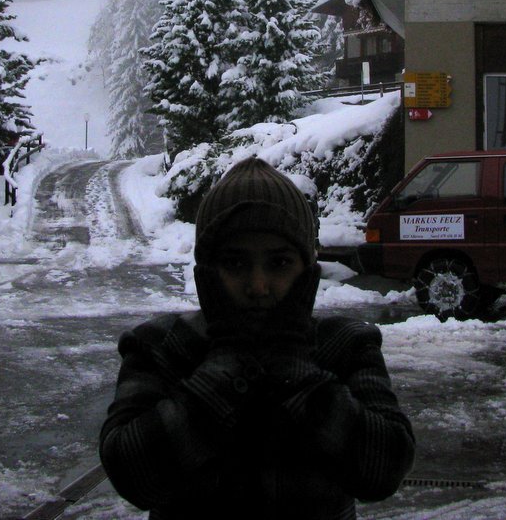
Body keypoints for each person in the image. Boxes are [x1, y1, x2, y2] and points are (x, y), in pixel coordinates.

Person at [99, 156, 415, 519]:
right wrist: (225, 369)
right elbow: (132, 474)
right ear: (206, 273)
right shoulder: (160, 347)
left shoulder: (345, 345)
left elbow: (383, 470)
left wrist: (295, 372)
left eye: (279, 263)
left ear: (307, 271)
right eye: (235, 263)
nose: (258, 286)